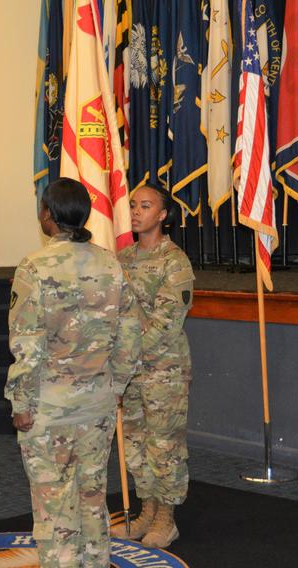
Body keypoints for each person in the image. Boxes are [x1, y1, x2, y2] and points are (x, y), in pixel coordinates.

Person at [5, 178, 141, 568]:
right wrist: (116, 384)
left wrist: (21, 401)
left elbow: (26, 343)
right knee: (93, 497)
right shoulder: (110, 263)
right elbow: (131, 331)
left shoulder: (35, 267)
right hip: (97, 402)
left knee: (54, 506)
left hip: (49, 407)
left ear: (47, 215)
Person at [111, 184, 194, 549]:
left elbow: (166, 324)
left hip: (163, 371)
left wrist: (125, 354)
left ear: (162, 215)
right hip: (129, 373)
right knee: (134, 443)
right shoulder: (122, 259)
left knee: (164, 445)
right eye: (132, 205)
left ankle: (166, 518)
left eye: (145, 206)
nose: (135, 211)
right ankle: (147, 510)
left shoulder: (175, 261)